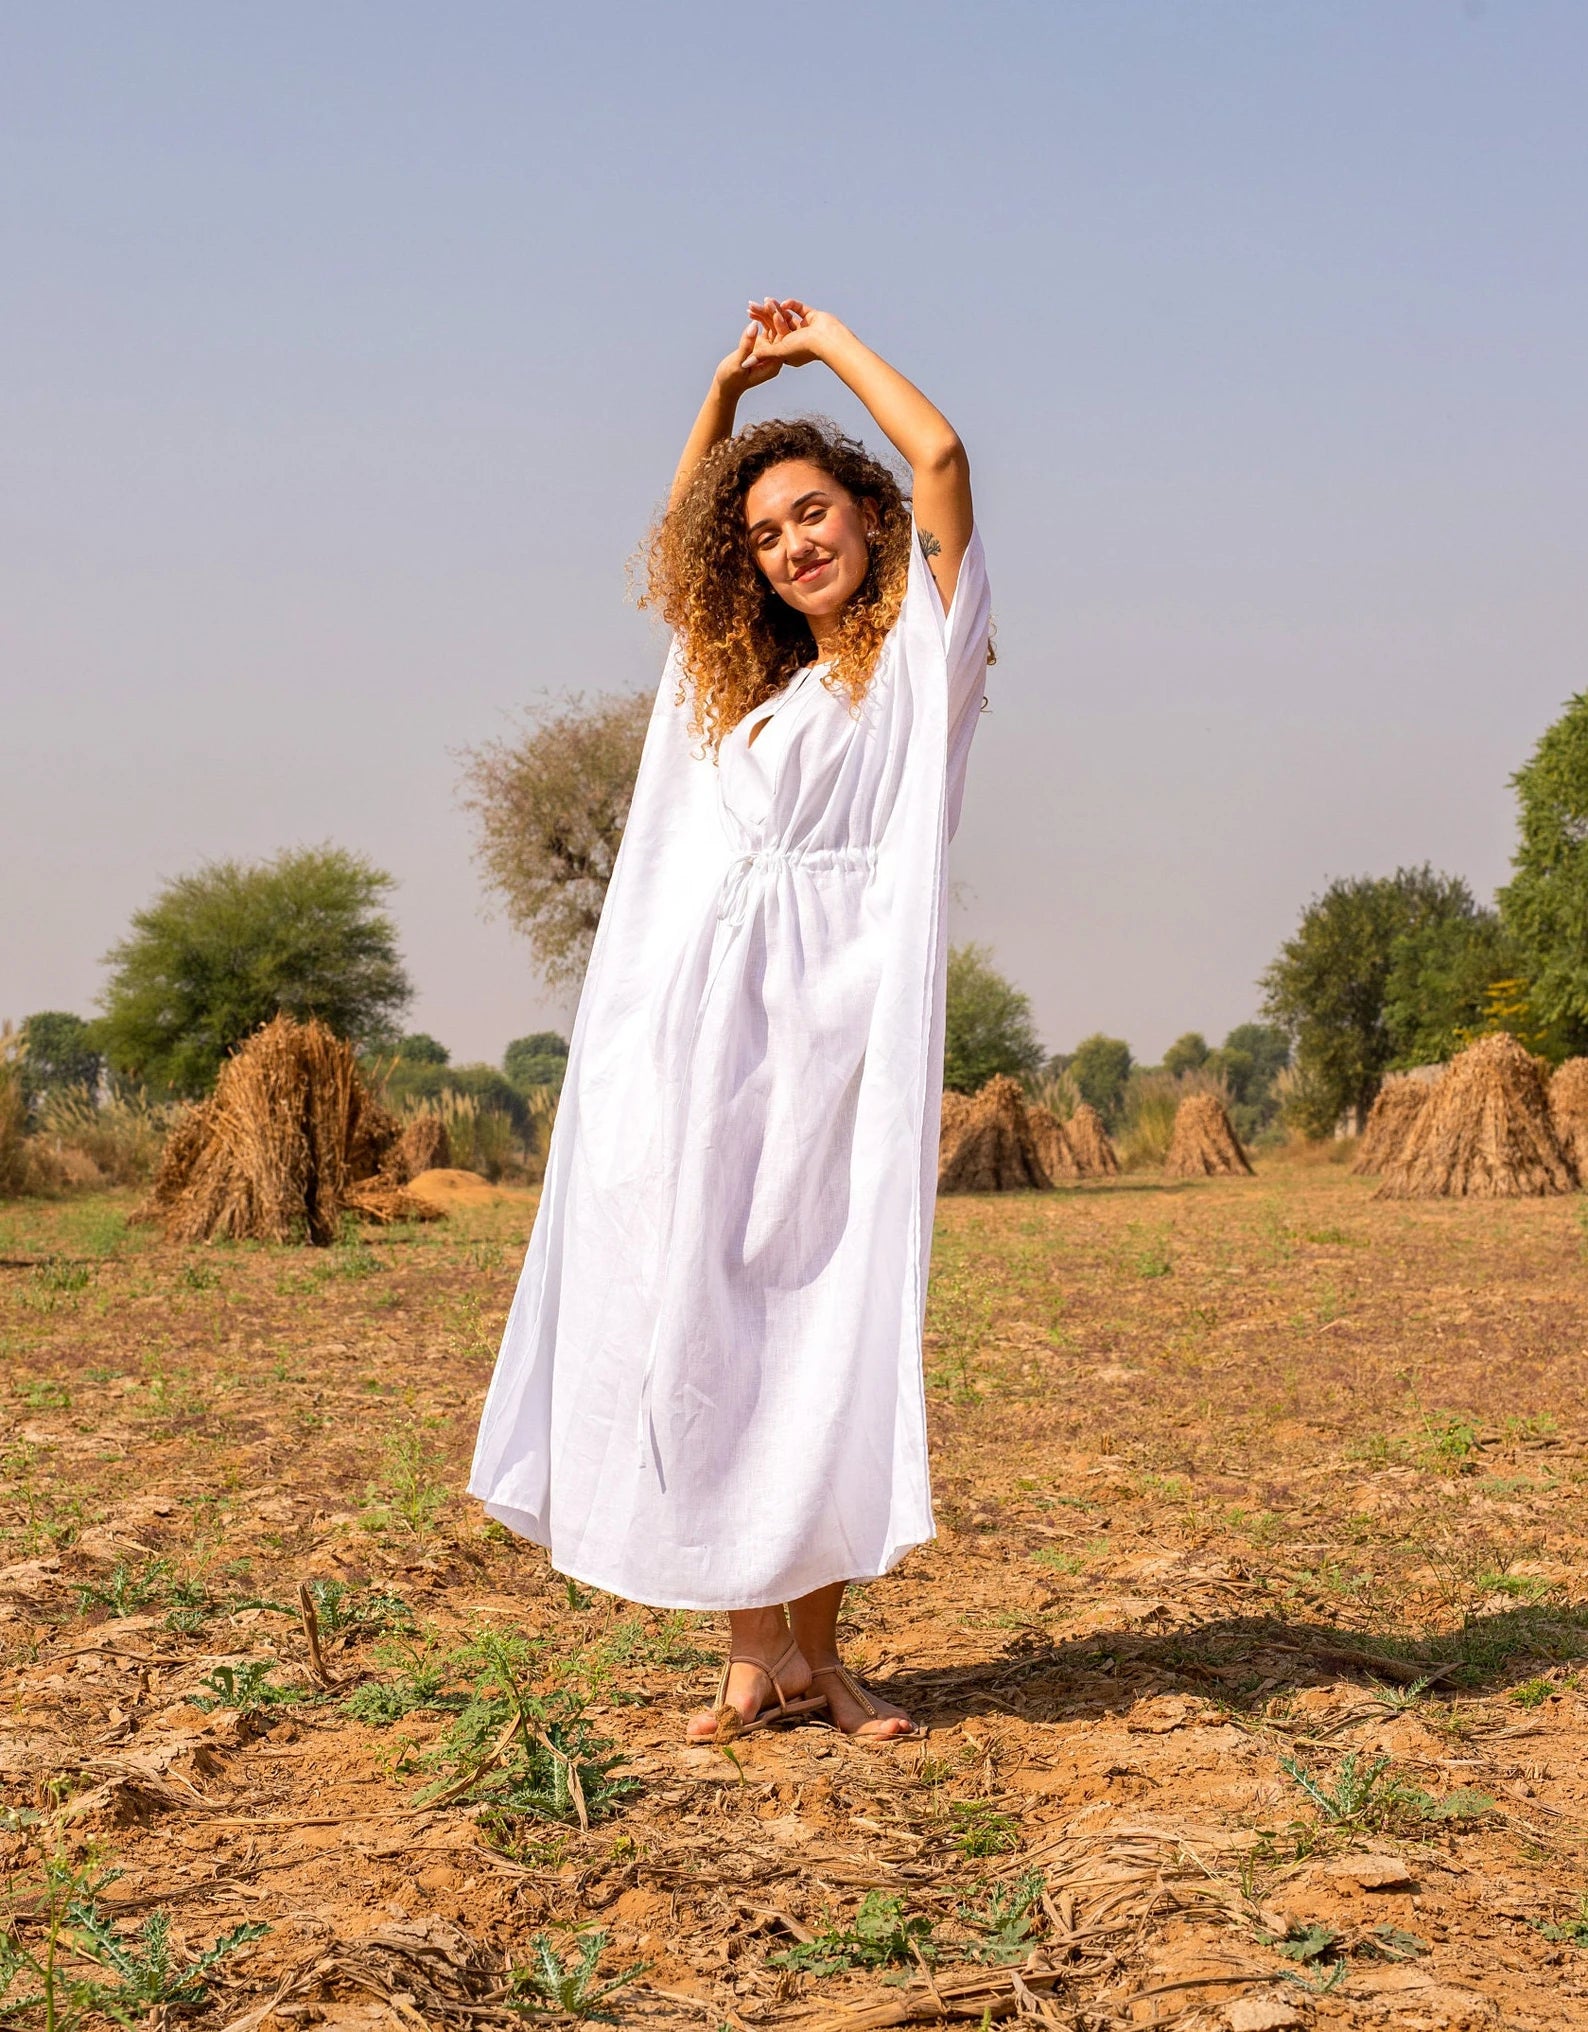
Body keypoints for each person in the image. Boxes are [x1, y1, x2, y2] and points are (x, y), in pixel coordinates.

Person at [469, 298, 992, 1744]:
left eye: (813, 513)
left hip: (842, 1038)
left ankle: (825, 1658)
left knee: (824, 1330)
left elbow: (942, 448)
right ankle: (752, 1655)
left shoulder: (921, 662)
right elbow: (687, 547)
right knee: (698, 1321)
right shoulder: (738, 689)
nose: (792, 546)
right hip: (697, 1038)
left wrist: (824, 346)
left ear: (870, 520)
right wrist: (720, 391)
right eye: (765, 535)